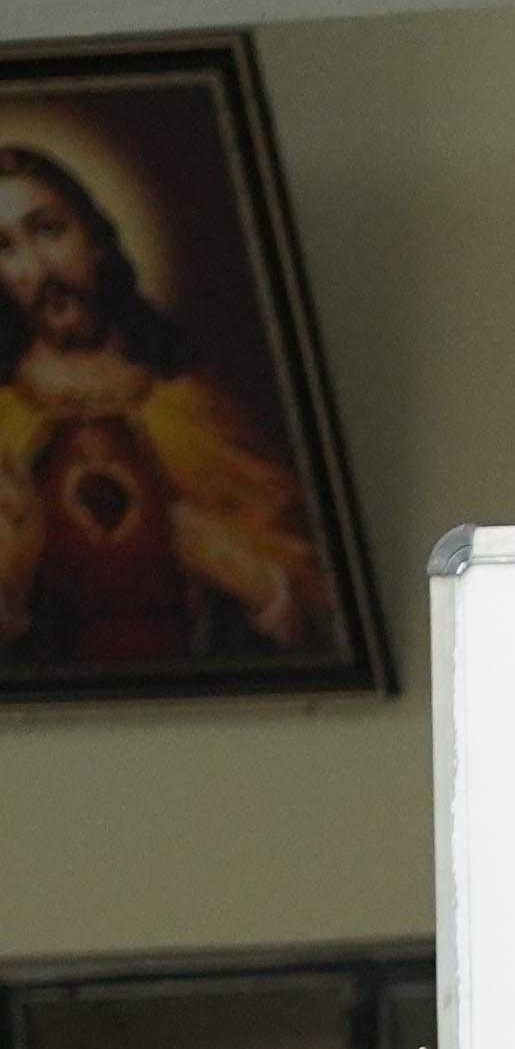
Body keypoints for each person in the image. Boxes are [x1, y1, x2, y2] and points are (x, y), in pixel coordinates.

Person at [0, 140, 332, 674]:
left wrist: (252, 578)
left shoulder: (195, 408)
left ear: (95, 239)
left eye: (49, 230)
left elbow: (323, 613)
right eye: (5, 249)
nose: (39, 269)